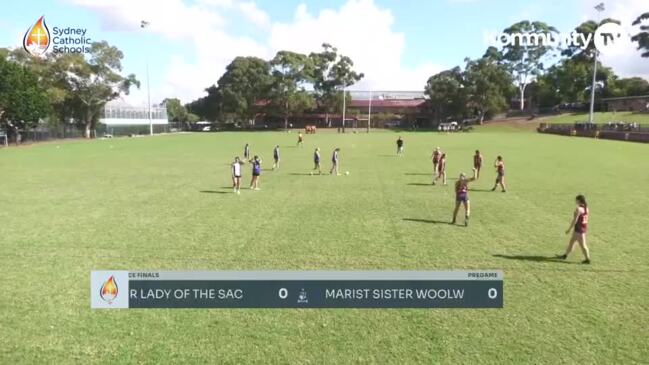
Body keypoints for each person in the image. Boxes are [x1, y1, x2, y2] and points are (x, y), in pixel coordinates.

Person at [557, 195, 591, 264]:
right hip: (582, 228)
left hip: (579, 230)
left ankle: (587, 259)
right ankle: (565, 255)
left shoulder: (578, 209)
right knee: (571, 242)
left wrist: (569, 229)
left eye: (576, 200)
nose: (575, 201)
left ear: (579, 200)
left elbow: (575, 220)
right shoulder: (586, 208)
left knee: (583, 245)